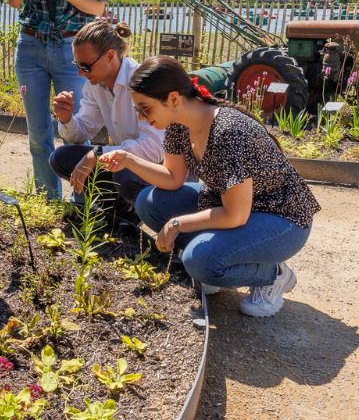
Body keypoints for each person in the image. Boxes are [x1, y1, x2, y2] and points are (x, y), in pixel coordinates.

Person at [99, 57, 320, 317]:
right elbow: (173, 177)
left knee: (199, 260)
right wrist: (129, 160)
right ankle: (219, 260)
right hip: (233, 207)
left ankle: (272, 275)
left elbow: (235, 215)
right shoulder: (178, 125)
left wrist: (176, 224)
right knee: (150, 202)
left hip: (281, 219)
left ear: (172, 98)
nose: (142, 118)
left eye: (145, 108)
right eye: (139, 110)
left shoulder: (227, 132)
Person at [4, 0, 108, 199]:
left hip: (70, 50)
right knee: (38, 135)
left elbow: (98, 7)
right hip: (31, 48)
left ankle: (81, 203)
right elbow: (12, 0)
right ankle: (47, 201)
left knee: (76, 131)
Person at [50, 19, 164, 209]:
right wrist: (66, 118)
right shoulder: (95, 84)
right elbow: (82, 132)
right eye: (76, 65)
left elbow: (153, 150)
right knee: (60, 158)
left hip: (158, 167)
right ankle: (113, 212)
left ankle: (143, 211)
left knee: (124, 174)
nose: (80, 73)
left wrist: (99, 154)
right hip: (124, 160)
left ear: (110, 56)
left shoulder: (142, 82)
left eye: (85, 66)